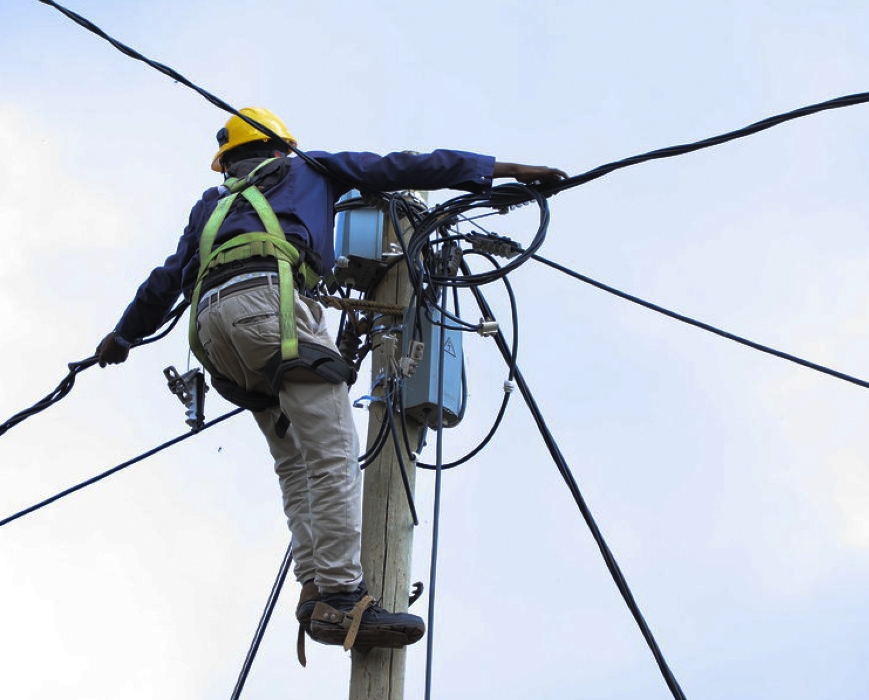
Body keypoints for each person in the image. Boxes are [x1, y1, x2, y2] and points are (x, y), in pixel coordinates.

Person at [94, 107, 565, 654]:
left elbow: (166, 281)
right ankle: (343, 597)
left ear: (230, 161)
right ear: (282, 148)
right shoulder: (312, 168)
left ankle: (315, 587)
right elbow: (405, 167)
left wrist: (121, 337)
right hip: (272, 311)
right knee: (334, 452)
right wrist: (506, 169)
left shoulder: (211, 205)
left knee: (295, 460)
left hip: (214, 336)